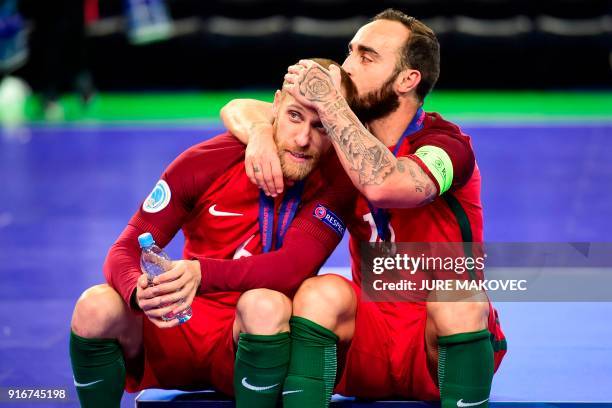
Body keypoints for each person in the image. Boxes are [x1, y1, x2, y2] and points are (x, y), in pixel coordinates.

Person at [220, 9, 507, 408]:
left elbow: (387, 182)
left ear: (408, 80)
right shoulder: (340, 138)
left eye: (367, 57)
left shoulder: (448, 145)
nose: (348, 67)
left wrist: (329, 99)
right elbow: (239, 107)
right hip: (370, 334)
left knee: (456, 295)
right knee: (320, 293)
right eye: (350, 52)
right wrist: (259, 135)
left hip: (436, 340)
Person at [69, 58, 359, 408]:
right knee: (94, 306)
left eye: (322, 127)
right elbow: (126, 247)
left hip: (255, 339)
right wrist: (137, 292)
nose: (303, 139)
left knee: (265, 305)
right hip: (179, 323)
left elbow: (292, 267)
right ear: (277, 105)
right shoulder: (206, 161)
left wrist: (199, 272)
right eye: (295, 116)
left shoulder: (337, 182)